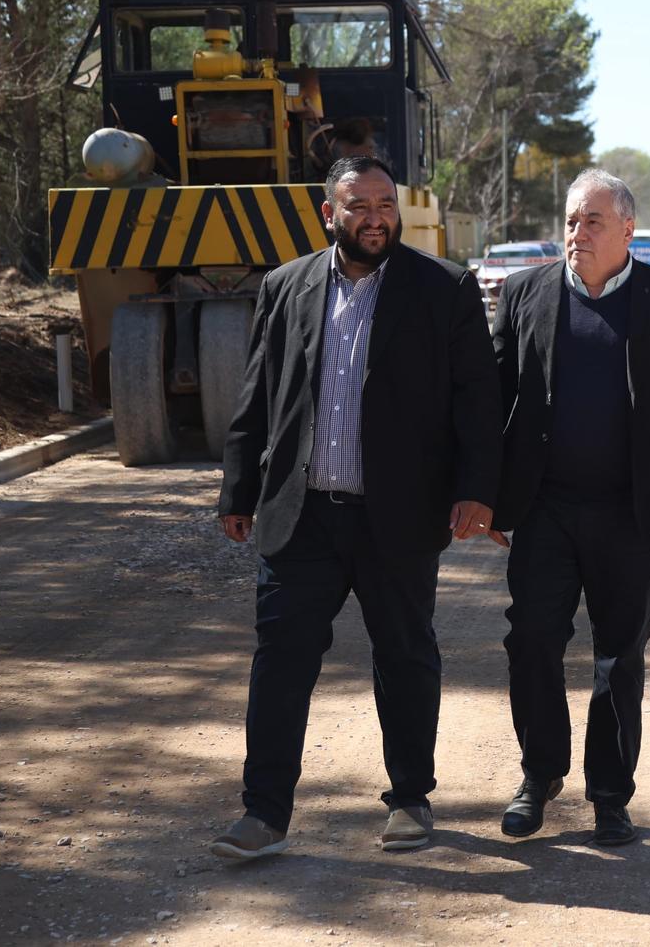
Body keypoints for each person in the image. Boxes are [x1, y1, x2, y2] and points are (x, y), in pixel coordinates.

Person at [208, 155, 502, 862]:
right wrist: (239, 488)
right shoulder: (285, 286)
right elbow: (259, 396)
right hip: (302, 513)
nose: (375, 217)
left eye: (384, 203)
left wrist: (478, 488)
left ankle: (409, 799)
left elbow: (478, 401)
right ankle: (265, 813)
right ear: (328, 213)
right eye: (358, 205)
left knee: (404, 655)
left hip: (396, 514)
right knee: (280, 660)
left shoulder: (443, 289)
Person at [487, 169, 650, 847]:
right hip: (545, 508)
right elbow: (496, 399)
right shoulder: (527, 292)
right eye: (569, 220)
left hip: (631, 511)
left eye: (591, 221)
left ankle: (611, 795)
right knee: (531, 640)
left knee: (620, 655)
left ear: (626, 229)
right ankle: (539, 776)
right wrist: (489, 496)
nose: (576, 233)